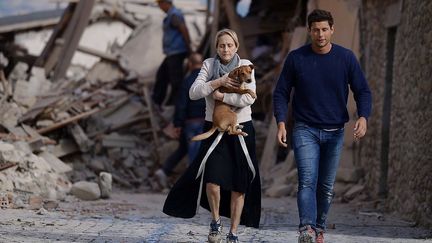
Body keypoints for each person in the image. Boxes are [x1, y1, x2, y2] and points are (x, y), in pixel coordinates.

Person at [273, 9, 372, 243]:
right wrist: (280, 123)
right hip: (305, 129)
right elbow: (281, 92)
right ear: (309, 31)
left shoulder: (346, 58)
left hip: (335, 132)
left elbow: (363, 91)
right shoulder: (297, 58)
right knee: (307, 180)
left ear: (332, 30)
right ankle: (306, 228)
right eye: (315, 30)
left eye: (324, 29)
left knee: (326, 186)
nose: (320, 34)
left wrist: (363, 117)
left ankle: (319, 228)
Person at [163, 29, 261, 243]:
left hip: (241, 129)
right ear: (216, 47)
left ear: (236, 46)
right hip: (215, 128)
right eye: (221, 45)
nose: (225, 49)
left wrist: (222, 96)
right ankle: (215, 222)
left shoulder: (245, 64)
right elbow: (193, 92)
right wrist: (217, 83)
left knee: (239, 185)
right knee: (212, 181)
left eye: (229, 45)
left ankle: (233, 232)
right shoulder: (208, 65)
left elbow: (250, 99)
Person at [154, 53, 206, 189]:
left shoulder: (187, 81)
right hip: (206, 121)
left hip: (191, 123)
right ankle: (194, 184)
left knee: (188, 149)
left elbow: (181, 105)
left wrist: (178, 124)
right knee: (195, 151)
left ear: (189, 64)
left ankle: (164, 172)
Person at [152, 0, 192, 110]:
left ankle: (178, 104)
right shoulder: (170, 15)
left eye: (160, 4)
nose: (160, 7)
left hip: (177, 51)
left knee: (175, 80)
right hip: (172, 52)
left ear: (165, 3)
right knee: (162, 76)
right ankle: (157, 101)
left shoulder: (174, 14)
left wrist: (189, 49)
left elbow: (183, 29)